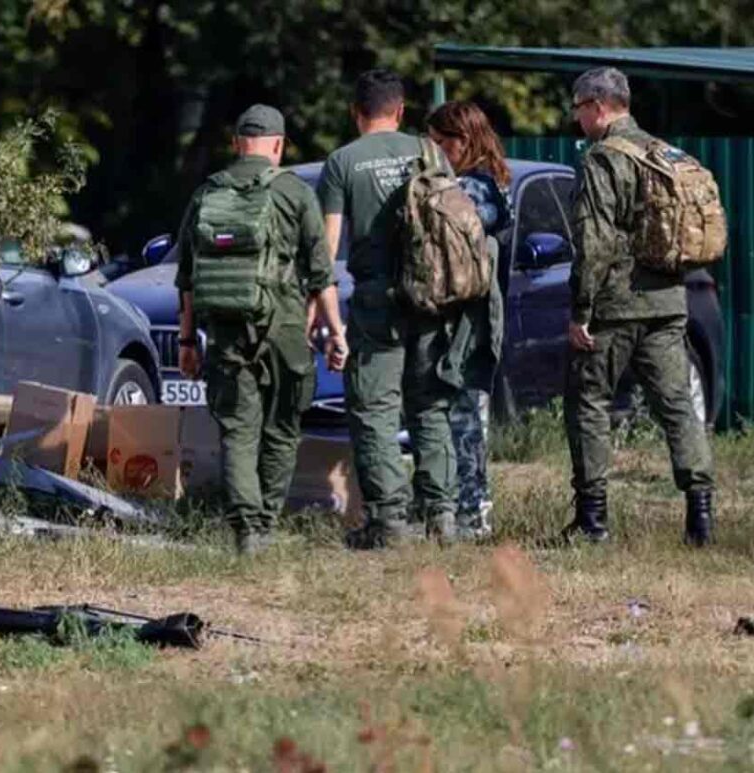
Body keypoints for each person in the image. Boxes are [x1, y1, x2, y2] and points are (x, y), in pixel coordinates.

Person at [176, 104, 347, 555]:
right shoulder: (295, 193)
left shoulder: (207, 193)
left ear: (237, 144)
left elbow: (187, 282)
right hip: (286, 330)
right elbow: (320, 275)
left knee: (237, 430)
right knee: (282, 428)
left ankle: (245, 530)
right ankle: (266, 522)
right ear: (278, 145)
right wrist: (337, 333)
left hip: (228, 333)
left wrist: (187, 341)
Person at [564, 67, 715, 545]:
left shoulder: (602, 158)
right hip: (669, 302)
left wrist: (581, 310)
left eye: (578, 108)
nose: (577, 118)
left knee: (589, 404)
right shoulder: (663, 153)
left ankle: (593, 522)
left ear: (599, 106)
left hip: (614, 306)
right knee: (677, 409)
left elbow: (595, 240)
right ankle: (701, 519)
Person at [317, 69, 458, 548]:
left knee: (375, 410)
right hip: (435, 297)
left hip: (379, 301)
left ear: (356, 114)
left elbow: (328, 249)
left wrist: (325, 318)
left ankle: (389, 523)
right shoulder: (431, 153)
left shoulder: (342, 163)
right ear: (400, 112)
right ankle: (442, 518)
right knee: (430, 405)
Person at [426, 100, 512, 540]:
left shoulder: (476, 190)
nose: (435, 150)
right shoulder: (482, 183)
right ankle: (461, 510)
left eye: (441, 142)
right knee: (460, 416)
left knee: (465, 420)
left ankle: (472, 514)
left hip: (468, 323)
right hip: (465, 320)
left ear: (463, 140)